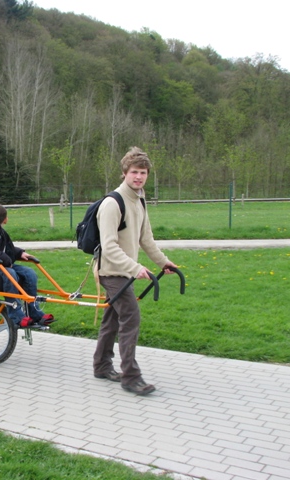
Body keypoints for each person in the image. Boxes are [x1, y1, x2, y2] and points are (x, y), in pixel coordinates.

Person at [93, 147, 178, 396]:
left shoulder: (139, 200)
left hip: (126, 272)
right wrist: (136, 267)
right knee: (131, 317)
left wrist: (164, 262)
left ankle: (101, 365)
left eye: (143, 173)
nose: (138, 177)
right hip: (111, 272)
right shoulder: (112, 203)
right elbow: (108, 247)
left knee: (112, 320)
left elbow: (146, 238)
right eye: (134, 172)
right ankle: (131, 377)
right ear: (124, 173)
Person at [0, 204, 54, 328]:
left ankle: (34, 312)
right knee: (10, 274)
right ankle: (16, 317)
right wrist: (6, 260)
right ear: (6, 219)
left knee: (29, 273)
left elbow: (4, 248)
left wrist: (20, 252)